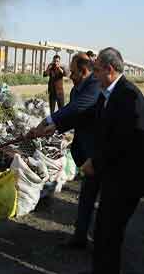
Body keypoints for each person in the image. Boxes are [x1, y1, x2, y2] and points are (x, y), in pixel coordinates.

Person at [80, 47, 144, 274]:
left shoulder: (129, 96)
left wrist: (95, 162)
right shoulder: (108, 94)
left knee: (108, 236)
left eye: (96, 70)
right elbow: (89, 116)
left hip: (125, 182)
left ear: (109, 69)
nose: (93, 75)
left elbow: (124, 142)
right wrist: (54, 125)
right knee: (104, 234)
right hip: (112, 178)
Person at [30, 53, 101, 250]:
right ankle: (80, 237)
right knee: (87, 195)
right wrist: (53, 128)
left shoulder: (94, 86)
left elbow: (74, 109)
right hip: (86, 152)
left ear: (84, 71)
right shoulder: (79, 88)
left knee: (106, 201)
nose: (70, 75)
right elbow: (75, 116)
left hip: (100, 152)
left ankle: (104, 243)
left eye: (74, 71)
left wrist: (46, 122)